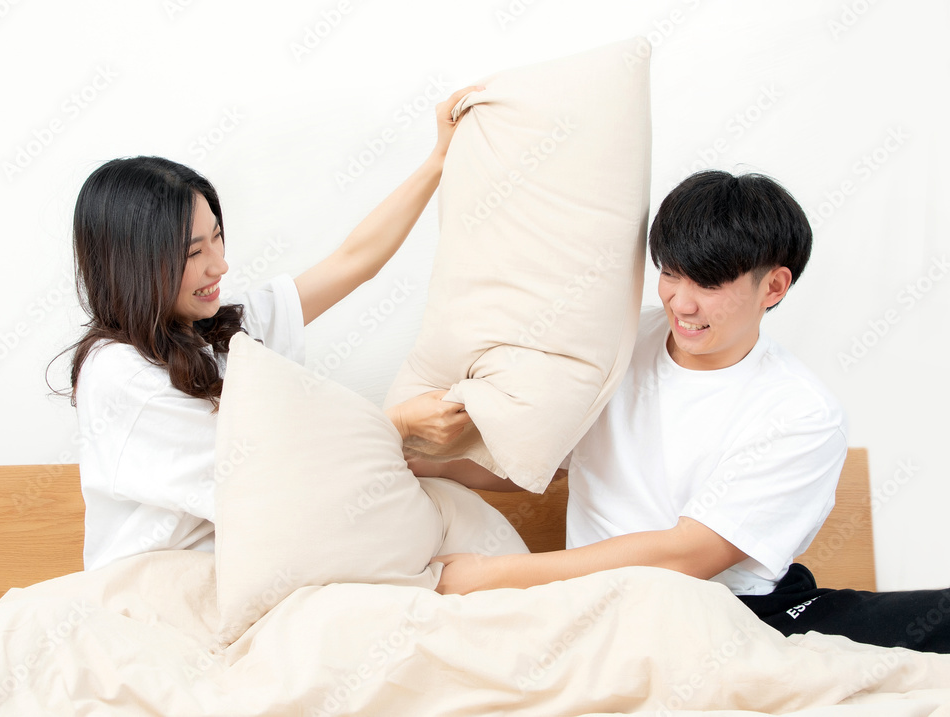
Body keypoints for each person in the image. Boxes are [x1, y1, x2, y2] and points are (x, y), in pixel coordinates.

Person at [428, 170, 950, 653]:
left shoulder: (801, 413)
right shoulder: (620, 343)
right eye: (671, 274)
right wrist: (416, 459)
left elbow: (688, 555)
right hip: (605, 607)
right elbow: (536, 460)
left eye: (708, 283)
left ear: (773, 286)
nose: (681, 303)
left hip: (743, 612)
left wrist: (493, 575)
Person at [61, 86, 479, 571]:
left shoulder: (221, 328)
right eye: (194, 253)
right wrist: (399, 425)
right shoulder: (118, 373)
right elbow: (263, 467)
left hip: (245, 568)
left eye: (217, 237)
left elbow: (354, 261)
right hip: (159, 582)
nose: (220, 265)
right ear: (134, 266)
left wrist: (437, 160)